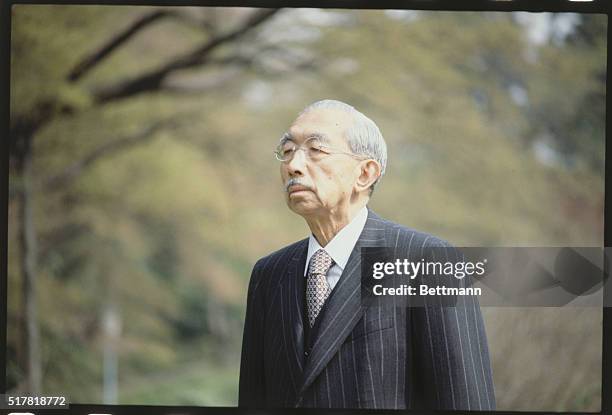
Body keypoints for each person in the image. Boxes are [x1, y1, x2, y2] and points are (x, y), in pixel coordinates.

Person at [238, 99, 495, 410]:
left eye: (315, 150)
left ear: (365, 173)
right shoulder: (269, 274)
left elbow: (464, 400)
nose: (294, 165)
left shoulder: (427, 261)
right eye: (288, 150)